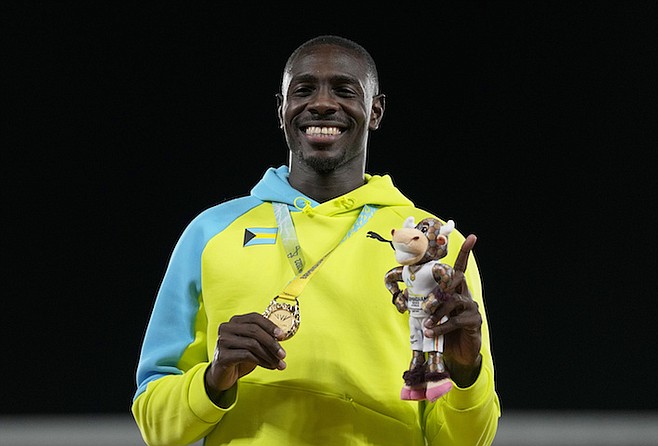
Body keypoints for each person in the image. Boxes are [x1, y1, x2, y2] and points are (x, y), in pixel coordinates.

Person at [131, 34, 501, 446]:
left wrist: (466, 375)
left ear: (375, 111)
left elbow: (470, 441)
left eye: (344, 90)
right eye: (304, 90)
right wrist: (214, 380)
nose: (322, 103)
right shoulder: (209, 233)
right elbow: (155, 425)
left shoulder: (431, 243)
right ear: (281, 109)